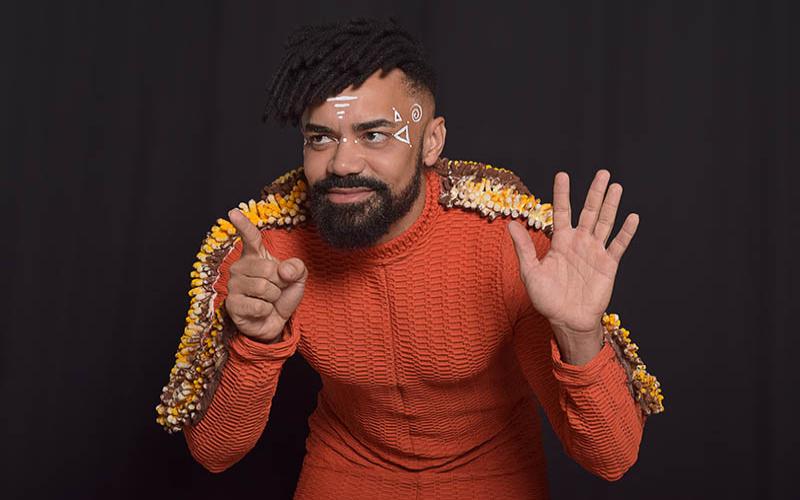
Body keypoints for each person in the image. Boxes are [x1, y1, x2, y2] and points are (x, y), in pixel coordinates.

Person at [155, 17, 664, 499]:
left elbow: (611, 458)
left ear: (431, 141)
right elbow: (214, 454)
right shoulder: (264, 252)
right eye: (321, 138)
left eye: (374, 135)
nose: (342, 163)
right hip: (345, 474)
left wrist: (578, 334)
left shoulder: (510, 242)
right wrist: (254, 342)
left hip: (493, 477)